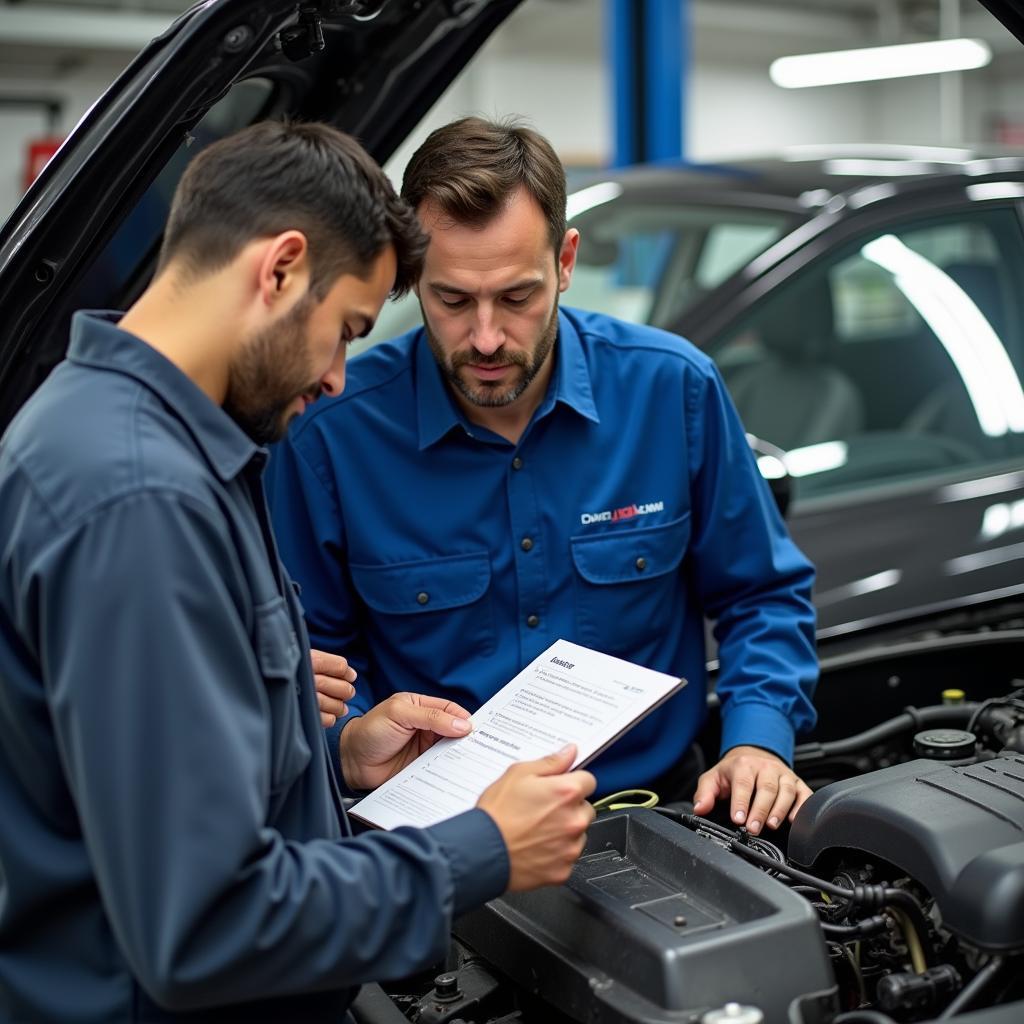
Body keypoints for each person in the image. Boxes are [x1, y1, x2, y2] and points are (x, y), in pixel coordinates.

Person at [0, 121, 596, 1024]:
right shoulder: (136, 501)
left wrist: (334, 755)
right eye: (345, 329)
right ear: (279, 270)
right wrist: (484, 848)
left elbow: (167, 774)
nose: (338, 379)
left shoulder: (169, 446)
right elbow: (206, 924)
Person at [267, 116, 819, 839]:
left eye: (518, 297)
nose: (487, 337)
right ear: (410, 276)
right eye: (453, 300)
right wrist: (346, 742)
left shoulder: (672, 390)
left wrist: (756, 739)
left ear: (565, 261)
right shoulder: (330, 435)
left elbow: (762, 594)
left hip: (655, 814)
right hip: (435, 842)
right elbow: (314, 665)